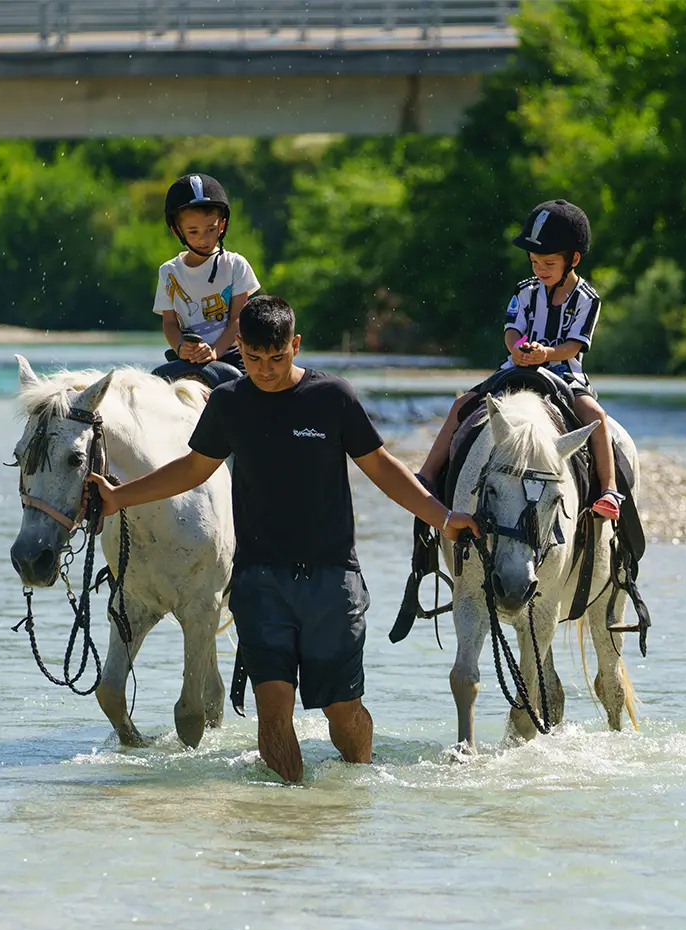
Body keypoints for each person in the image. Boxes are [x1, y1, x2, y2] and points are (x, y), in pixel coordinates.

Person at [90, 295, 479, 782]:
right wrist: (118, 497)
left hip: (332, 580)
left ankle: (356, 792)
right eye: (253, 359)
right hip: (259, 583)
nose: (266, 370)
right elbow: (192, 469)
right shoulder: (230, 403)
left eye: (277, 358)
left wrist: (445, 518)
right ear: (241, 351)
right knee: (273, 711)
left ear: (294, 345)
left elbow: (382, 468)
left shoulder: (332, 397)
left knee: (343, 714)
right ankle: (286, 825)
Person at [416, 199, 623, 519]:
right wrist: (516, 350)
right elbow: (512, 331)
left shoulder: (587, 299)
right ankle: (427, 476)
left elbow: (573, 346)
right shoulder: (525, 290)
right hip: (517, 367)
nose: (539, 270)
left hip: (563, 372)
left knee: (595, 415)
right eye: (534, 262)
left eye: (548, 264)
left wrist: (546, 354)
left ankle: (609, 489)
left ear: (573, 259)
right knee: (461, 406)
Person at [150, 173, 261, 386]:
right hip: (187, 356)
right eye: (193, 231)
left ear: (222, 226)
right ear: (177, 231)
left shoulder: (235, 265)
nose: (204, 238)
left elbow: (237, 320)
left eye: (211, 229)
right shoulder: (168, 272)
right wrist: (181, 348)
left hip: (229, 354)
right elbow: (170, 323)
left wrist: (214, 352)